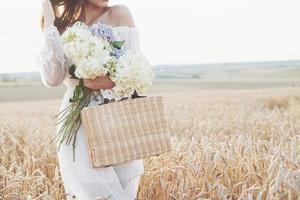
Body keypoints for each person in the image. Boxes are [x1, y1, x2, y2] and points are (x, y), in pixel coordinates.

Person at [34, 0, 144, 199]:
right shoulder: (60, 26)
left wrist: (109, 81)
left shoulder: (119, 14)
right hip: (77, 126)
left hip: (117, 120)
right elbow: (52, 79)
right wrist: (49, 24)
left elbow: (138, 70)